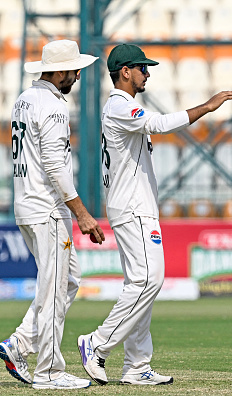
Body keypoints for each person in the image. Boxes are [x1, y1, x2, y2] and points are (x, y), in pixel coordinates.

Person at [77, 44, 232, 386]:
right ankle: (97, 343)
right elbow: (162, 123)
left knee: (141, 284)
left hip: (136, 206)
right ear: (125, 72)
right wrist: (207, 107)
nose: (147, 73)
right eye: (142, 68)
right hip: (132, 208)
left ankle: (136, 365)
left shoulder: (124, 106)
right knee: (149, 280)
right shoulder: (120, 105)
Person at [0, 39, 104, 390]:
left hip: (26, 204)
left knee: (66, 281)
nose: (77, 75)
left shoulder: (24, 99)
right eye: (74, 70)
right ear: (59, 71)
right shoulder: (53, 106)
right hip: (47, 209)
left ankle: (20, 344)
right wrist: (82, 214)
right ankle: (48, 371)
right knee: (54, 289)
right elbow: (54, 165)